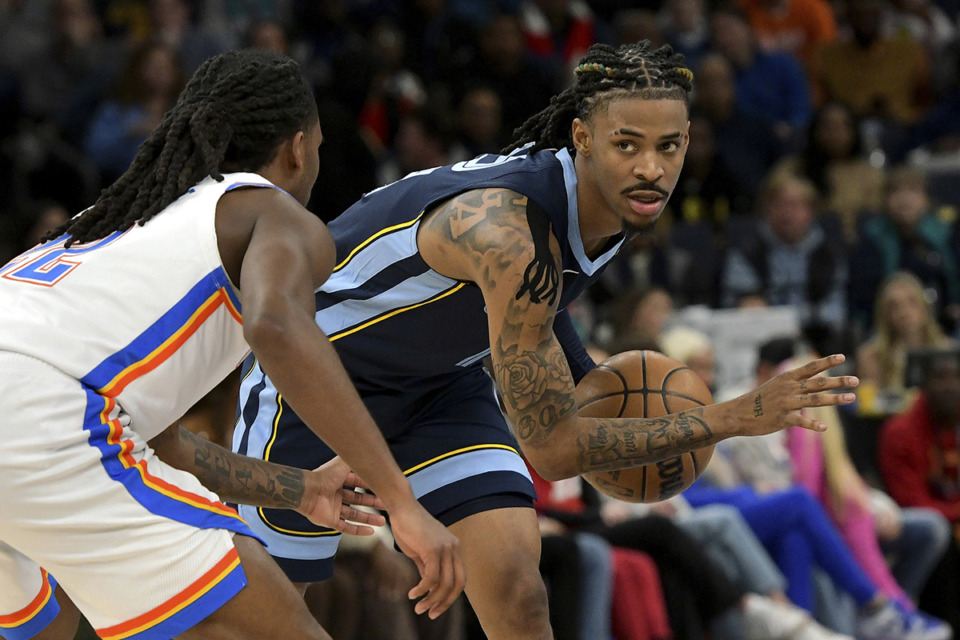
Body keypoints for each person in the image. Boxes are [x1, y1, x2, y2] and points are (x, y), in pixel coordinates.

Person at [232, 40, 859, 640]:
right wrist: (729, 418)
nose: (651, 167)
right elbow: (555, 449)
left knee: (518, 591)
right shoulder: (509, 231)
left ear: (688, 141)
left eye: (669, 146)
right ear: (582, 139)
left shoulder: (613, 202)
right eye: (628, 145)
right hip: (316, 380)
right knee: (277, 619)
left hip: (441, 386)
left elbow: (545, 298)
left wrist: (585, 371)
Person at [0, 49, 464, 640]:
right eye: (318, 146)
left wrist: (302, 489)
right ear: (298, 148)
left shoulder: (110, 221)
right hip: (47, 418)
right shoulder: (275, 215)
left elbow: (156, 441)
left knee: (51, 623)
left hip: (34, 419)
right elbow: (274, 325)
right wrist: (402, 503)